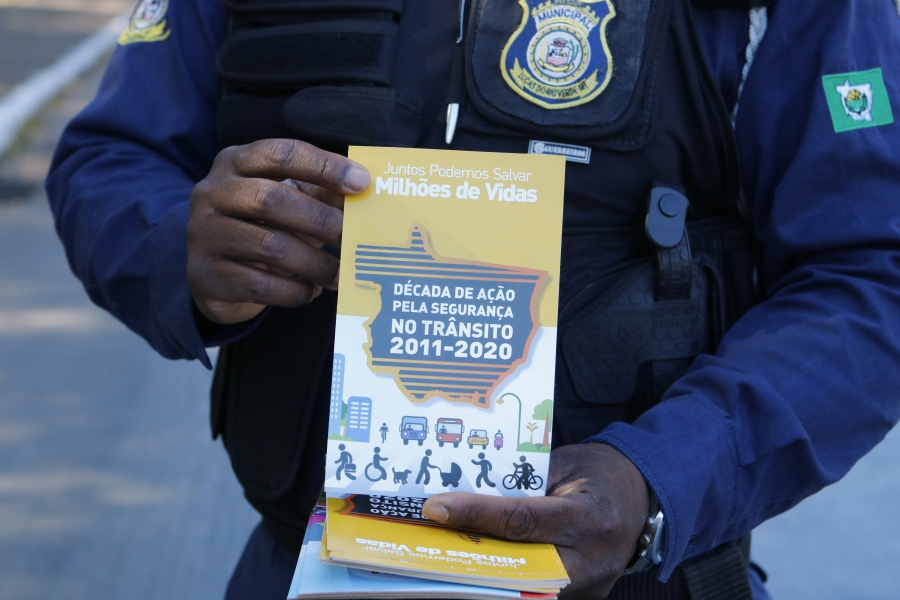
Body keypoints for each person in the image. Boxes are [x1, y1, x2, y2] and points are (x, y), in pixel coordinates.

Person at [44, 0, 900, 599]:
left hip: (638, 584)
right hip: (301, 569)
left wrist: (661, 478)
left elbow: (869, 273)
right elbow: (111, 159)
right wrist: (179, 246)